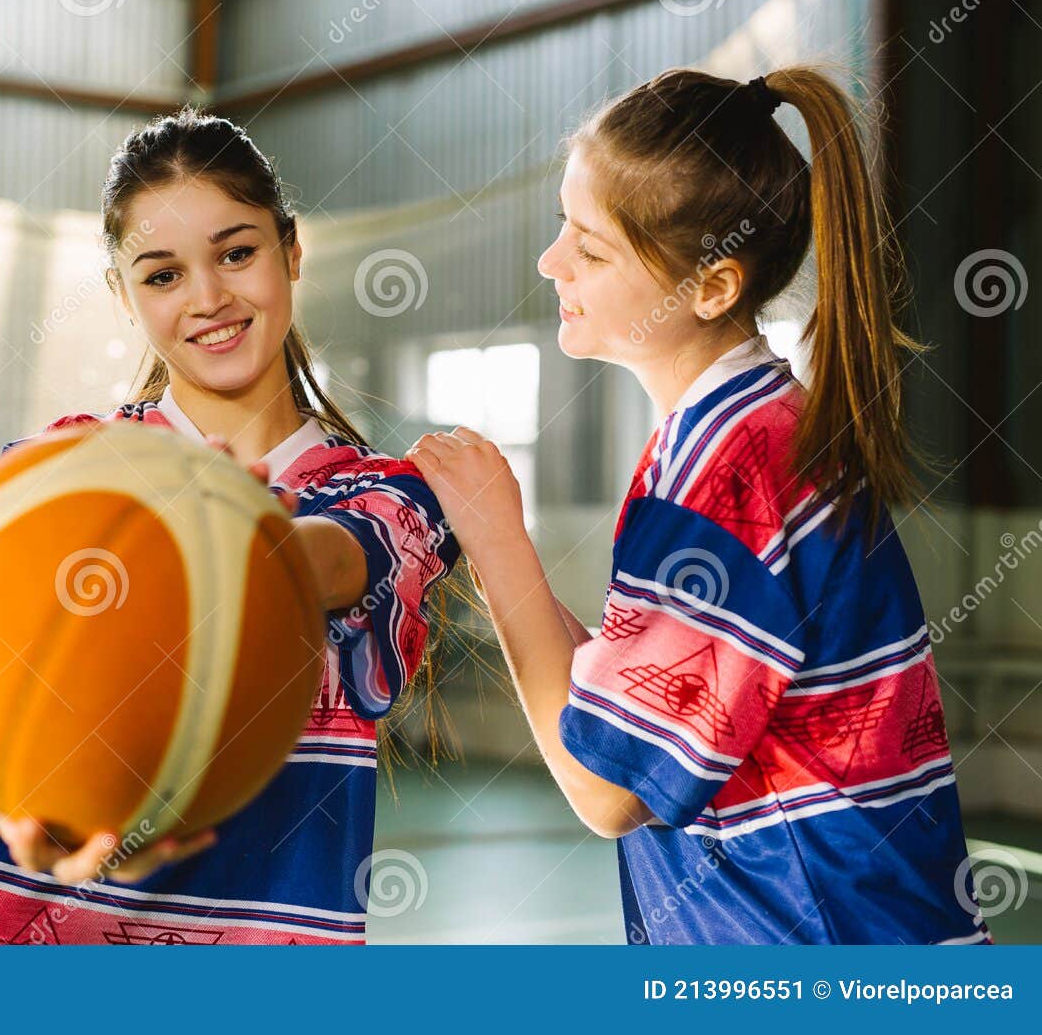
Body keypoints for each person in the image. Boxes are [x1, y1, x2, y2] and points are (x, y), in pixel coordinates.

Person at [410, 68, 989, 944]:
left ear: (712, 288)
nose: (551, 261)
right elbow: (616, 706)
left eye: (591, 248)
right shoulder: (741, 432)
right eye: (562, 224)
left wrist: (496, 542)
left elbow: (609, 789)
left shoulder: (727, 476)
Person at [0, 109, 459, 945]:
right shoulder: (53, 471)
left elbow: (328, 559)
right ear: (123, 294)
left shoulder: (394, 497)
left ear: (290, 251)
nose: (209, 298)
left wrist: (230, 535)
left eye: (237, 253)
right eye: (163, 274)